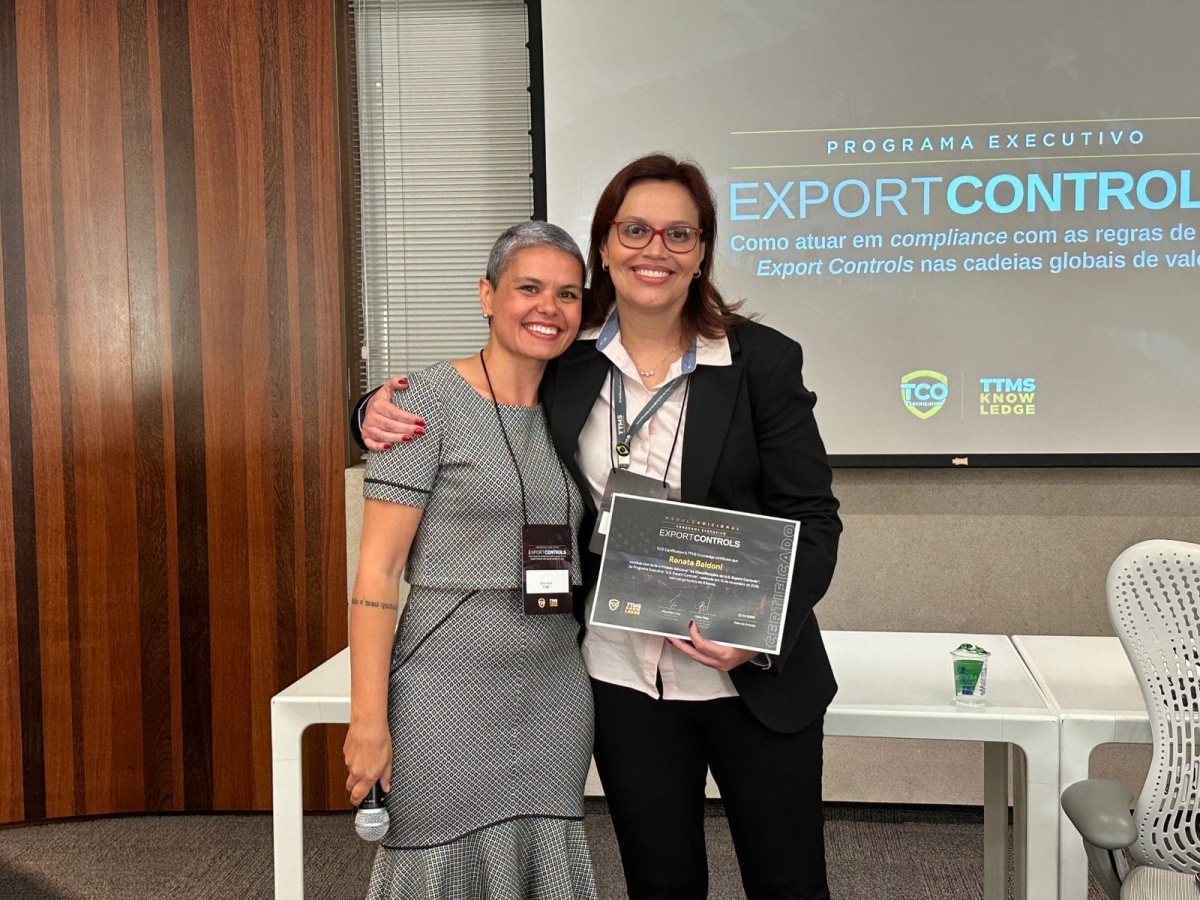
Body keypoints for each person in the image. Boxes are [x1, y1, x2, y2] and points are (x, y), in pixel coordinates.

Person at [353, 155, 842, 900]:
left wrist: (759, 633)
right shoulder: (568, 355)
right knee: (661, 883)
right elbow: (475, 388)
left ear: (702, 251)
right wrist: (368, 411)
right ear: (606, 247)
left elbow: (814, 518)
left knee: (790, 884)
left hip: (748, 679)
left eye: (680, 233)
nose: (656, 249)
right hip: (620, 681)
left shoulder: (761, 362)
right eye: (635, 229)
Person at [344, 221, 597, 900]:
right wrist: (367, 720)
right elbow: (376, 575)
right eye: (528, 288)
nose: (549, 308)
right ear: (487, 295)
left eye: (568, 294)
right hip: (443, 688)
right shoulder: (424, 403)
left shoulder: (579, 406)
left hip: (553, 691)